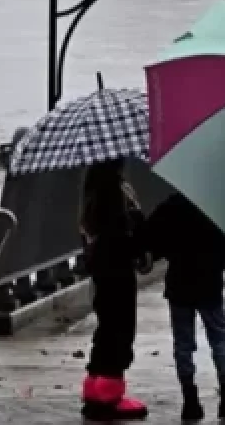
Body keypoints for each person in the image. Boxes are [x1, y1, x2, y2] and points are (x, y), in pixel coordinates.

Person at [142, 194, 225, 422]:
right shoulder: (215, 206)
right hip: (210, 285)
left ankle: (190, 400)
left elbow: (152, 241)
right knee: (220, 340)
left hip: (179, 285)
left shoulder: (169, 206)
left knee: (183, 344)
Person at [78, 159, 149, 422]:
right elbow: (126, 240)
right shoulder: (114, 195)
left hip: (101, 271)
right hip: (118, 272)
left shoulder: (92, 194)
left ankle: (95, 390)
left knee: (106, 326)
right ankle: (109, 395)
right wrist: (137, 219)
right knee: (120, 328)